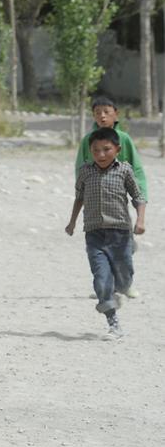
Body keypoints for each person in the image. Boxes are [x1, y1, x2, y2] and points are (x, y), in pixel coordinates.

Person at [65, 127, 146, 339]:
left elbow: (138, 197)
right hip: (94, 235)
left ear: (117, 149)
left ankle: (123, 278)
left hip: (120, 233)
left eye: (106, 149)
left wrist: (140, 220)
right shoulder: (85, 171)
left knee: (124, 277)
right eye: (95, 150)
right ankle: (113, 324)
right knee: (101, 280)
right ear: (90, 151)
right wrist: (72, 222)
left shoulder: (124, 171)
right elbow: (79, 198)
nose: (101, 155)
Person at [75, 96, 148, 298]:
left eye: (107, 111)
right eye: (98, 112)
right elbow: (80, 167)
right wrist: (82, 192)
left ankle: (125, 284)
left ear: (116, 114)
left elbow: (137, 169)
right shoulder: (87, 140)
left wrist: (140, 196)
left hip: (118, 198)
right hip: (96, 199)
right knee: (99, 245)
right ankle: (107, 285)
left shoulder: (124, 139)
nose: (102, 116)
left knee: (124, 243)